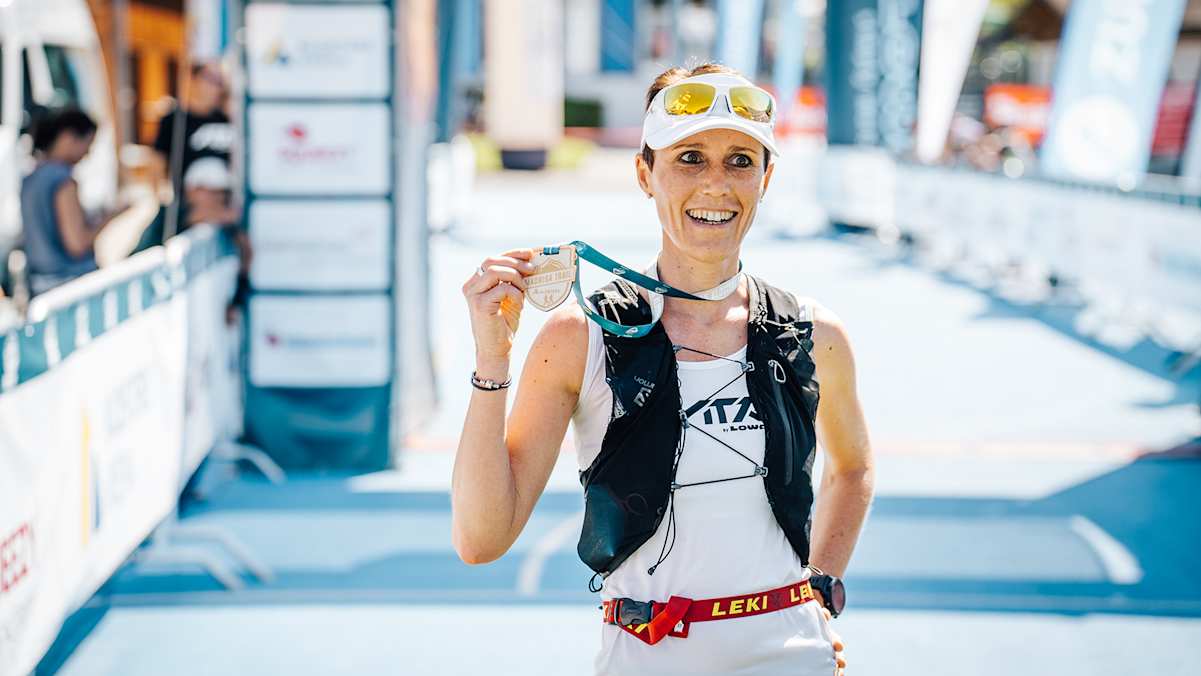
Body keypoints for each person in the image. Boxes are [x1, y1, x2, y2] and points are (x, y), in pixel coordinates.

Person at [454, 63, 873, 675]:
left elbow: (854, 469)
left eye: (740, 160)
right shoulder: (581, 336)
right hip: (647, 655)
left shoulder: (813, 333)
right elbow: (480, 540)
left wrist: (822, 592)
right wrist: (492, 360)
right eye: (690, 158)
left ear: (767, 177)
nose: (716, 185)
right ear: (644, 174)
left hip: (791, 653)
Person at [20, 108, 123, 295]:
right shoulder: (61, 179)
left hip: (40, 283)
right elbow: (77, 243)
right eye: (88, 145)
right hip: (69, 285)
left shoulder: (30, 177)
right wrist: (111, 217)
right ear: (68, 137)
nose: (87, 154)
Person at [152, 62, 234, 237]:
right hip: (186, 206)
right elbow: (157, 162)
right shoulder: (174, 119)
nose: (216, 87)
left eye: (221, 82)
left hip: (223, 204)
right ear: (194, 80)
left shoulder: (226, 119)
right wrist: (160, 196)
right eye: (211, 80)